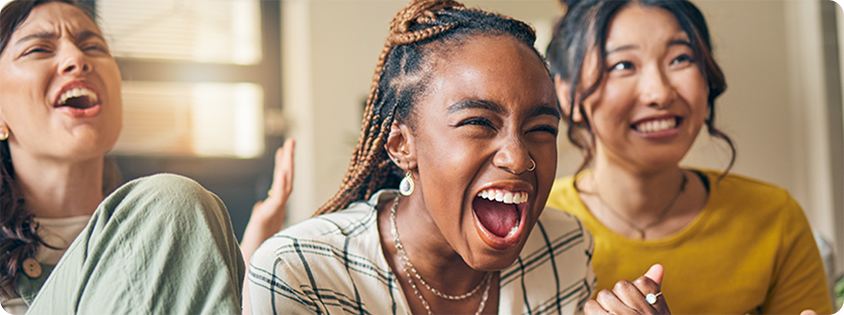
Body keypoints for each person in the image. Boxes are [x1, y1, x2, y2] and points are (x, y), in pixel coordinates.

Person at [247, 0, 604, 313]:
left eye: (541, 128)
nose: (517, 157)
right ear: (402, 145)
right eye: (478, 122)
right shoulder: (301, 273)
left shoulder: (565, 246)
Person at [0, 0, 291, 313]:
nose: (77, 58)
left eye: (94, 46)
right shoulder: (166, 209)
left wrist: (244, 267)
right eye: (38, 49)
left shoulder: (163, 233)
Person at [545, 0, 833, 314]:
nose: (660, 93)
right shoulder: (536, 229)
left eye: (681, 59)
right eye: (623, 65)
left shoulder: (775, 219)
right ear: (567, 94)